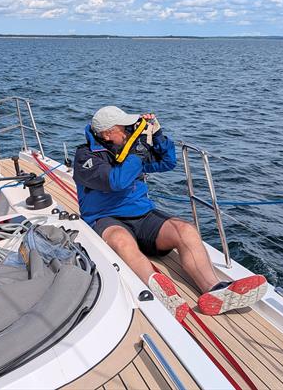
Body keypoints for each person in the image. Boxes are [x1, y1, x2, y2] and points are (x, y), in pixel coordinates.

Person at [73, 105, 267, 322]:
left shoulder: (129, 149)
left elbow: (166, 162)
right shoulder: (86, 157)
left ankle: (214, 289)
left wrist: (157, 136)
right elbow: (116, 182)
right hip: (105, 218)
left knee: (185, 230)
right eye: (125, 128)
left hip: (142, 215)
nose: (129, 131)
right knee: (121, 240)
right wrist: (134, 150)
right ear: (108, 133)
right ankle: (157, 290)